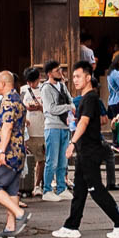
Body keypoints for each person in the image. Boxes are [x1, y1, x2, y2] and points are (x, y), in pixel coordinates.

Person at [51, 62, 119, 238]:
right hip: (84, 151)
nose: (75, 80)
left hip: (89, 150)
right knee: (79, 190)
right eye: (73, 77)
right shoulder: (87, 98)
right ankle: (71, 226)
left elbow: (84, 122)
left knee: (96, 190)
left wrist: (72, 142)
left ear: (88, 77)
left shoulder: (90, 98)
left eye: (78, 76)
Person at [0, 71, 29, 238]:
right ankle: (10, 228)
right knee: (12, 190)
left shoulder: (7, 101)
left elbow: (7, 127)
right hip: (18, 151)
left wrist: (1, 151)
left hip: (7, 152)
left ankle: (19, 214)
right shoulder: (18, 100)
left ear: (3, 83)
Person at [39, 63, 73, 201]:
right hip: (52, 126)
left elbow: (71, 100)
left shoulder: (62, 86)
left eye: (60, 69)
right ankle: (47, 189)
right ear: (49, 73)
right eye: (57, 70)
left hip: (65, 126)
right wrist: (68, 107)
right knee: (51, 160)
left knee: (63, 160)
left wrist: (69, 107)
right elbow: (51, 108)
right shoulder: (46, 88)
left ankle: (61, 187)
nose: (60, 72)